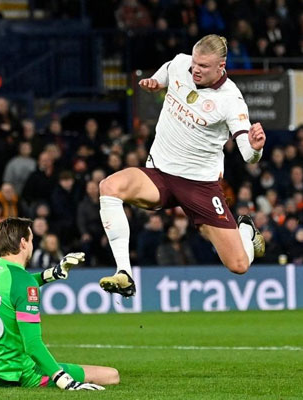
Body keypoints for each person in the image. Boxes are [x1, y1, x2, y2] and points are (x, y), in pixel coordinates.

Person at [98, 34, 266, 297]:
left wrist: (256, 148)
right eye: (195, 63)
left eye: (204, 66)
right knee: (109, 186)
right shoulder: (181, 64)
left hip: (200, 186)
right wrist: (156, 80)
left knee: (239, 265)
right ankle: (124, 273)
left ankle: (245, 229)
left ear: (221, 66)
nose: (196, 69)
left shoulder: (231, 100)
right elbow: (168, 70)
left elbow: (248, 154)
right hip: (160, 174)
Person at [0, 217, 118, 390]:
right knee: (112, 375)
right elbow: (32, 344)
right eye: (31, 239)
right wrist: (65, 381)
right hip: (22, 373)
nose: (32, 244)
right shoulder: (23, 283)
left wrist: (53, 273)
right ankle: (61, 378)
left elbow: (15, 288)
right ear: (23, 242)